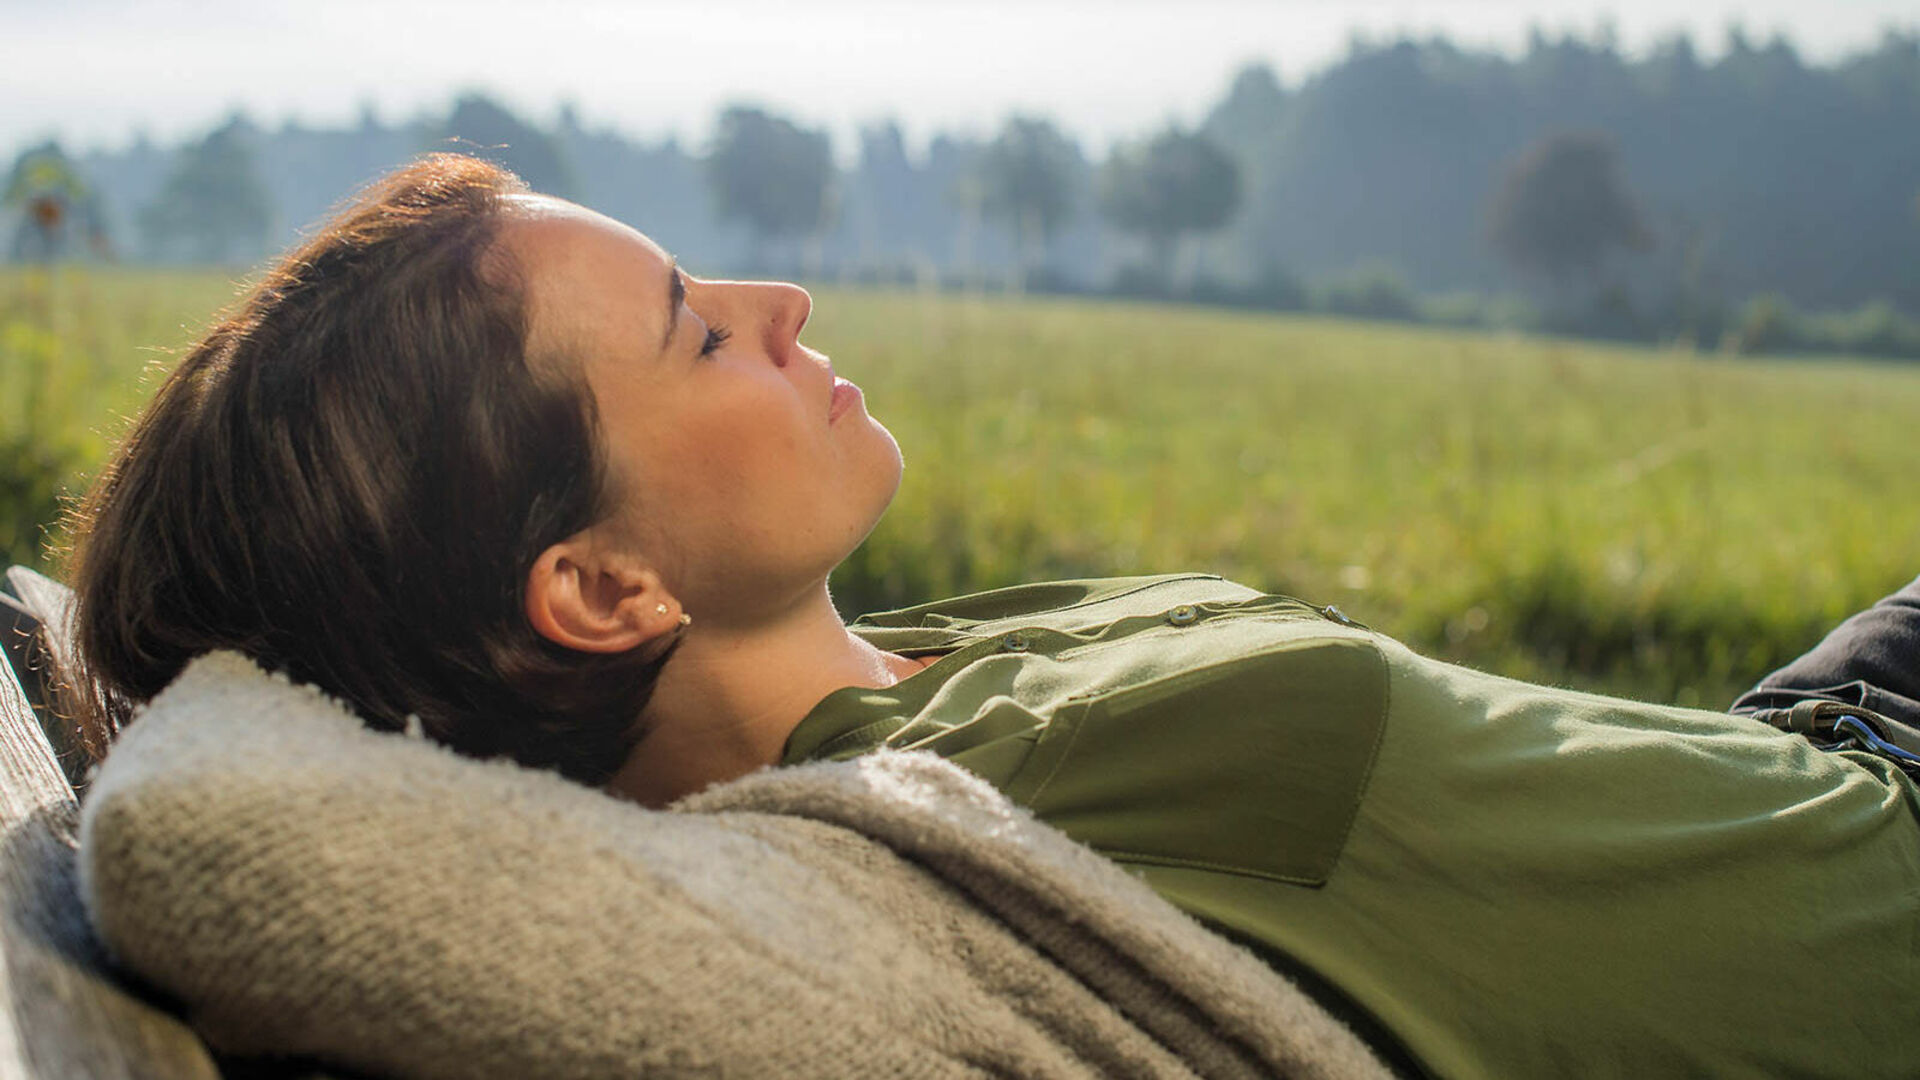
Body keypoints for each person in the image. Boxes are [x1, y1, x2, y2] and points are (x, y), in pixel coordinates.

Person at [64, 155, 1919, 1079]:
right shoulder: (928, 833)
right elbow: (211, 824)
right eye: (696, 331)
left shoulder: (929, 670)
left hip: (1818, 738)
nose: (782, 296)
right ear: (604, 586)